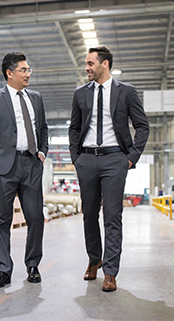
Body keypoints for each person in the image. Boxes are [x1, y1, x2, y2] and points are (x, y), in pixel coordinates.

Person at [68, 46, 149, 292]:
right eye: (86, 63)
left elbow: (142, 127)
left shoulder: (126, 92)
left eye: (91, 63)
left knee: (113, 216)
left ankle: (110, 271)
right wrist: (76, 157)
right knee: (89, 214)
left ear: (105, 64)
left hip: (115, 159)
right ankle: (95, 260)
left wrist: (131, 158)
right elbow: (74, 128)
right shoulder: (80, 93)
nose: (86, 68)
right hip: (87, 159)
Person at [0, 51, 49, 289]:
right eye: (23, 70)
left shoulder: (35, 97)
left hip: (31, 164)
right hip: (5, 165)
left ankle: (33, 265)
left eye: (29, 70)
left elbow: (43, 128)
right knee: (2, 219)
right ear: (10, 73)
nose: (28, 74)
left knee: (36, 216)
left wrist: (43, 151)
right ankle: (3, 270)